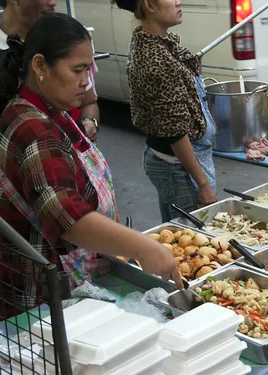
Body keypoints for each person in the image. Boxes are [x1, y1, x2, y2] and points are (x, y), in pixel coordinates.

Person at [0, 13, 182, 319]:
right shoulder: (30, 128)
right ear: (40, 66)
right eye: (77, 70)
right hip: (35, 297)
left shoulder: (48, 110)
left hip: (46, 280)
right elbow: (66, 218)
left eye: (89, 69)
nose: (86, 82)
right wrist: (142, 247)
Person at [0, 0, 101, 187]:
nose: (53, 2)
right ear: (38, 65)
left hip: (72, 178)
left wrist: (90, 123)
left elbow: (89, 103)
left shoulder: (70, 42)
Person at [112, 0, 218, 222]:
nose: (179, 1)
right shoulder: (156, 60)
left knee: (176, 229)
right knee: (190, 236)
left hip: (171, 161)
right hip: (178, 166)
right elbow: (174, 132)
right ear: (150, 5)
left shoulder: (154, 41)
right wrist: (203, 184)